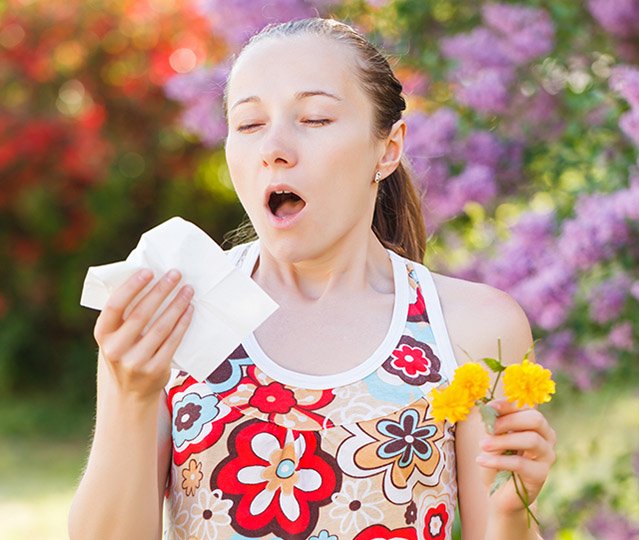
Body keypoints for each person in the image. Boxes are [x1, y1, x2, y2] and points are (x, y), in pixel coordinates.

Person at [68, 17, 556, 540]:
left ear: (387, 149)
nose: (273, 147)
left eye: (316, 118)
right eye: (249, 124)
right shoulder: (177, 313)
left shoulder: (473, 327)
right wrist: (131, 395)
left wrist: (510, 514)